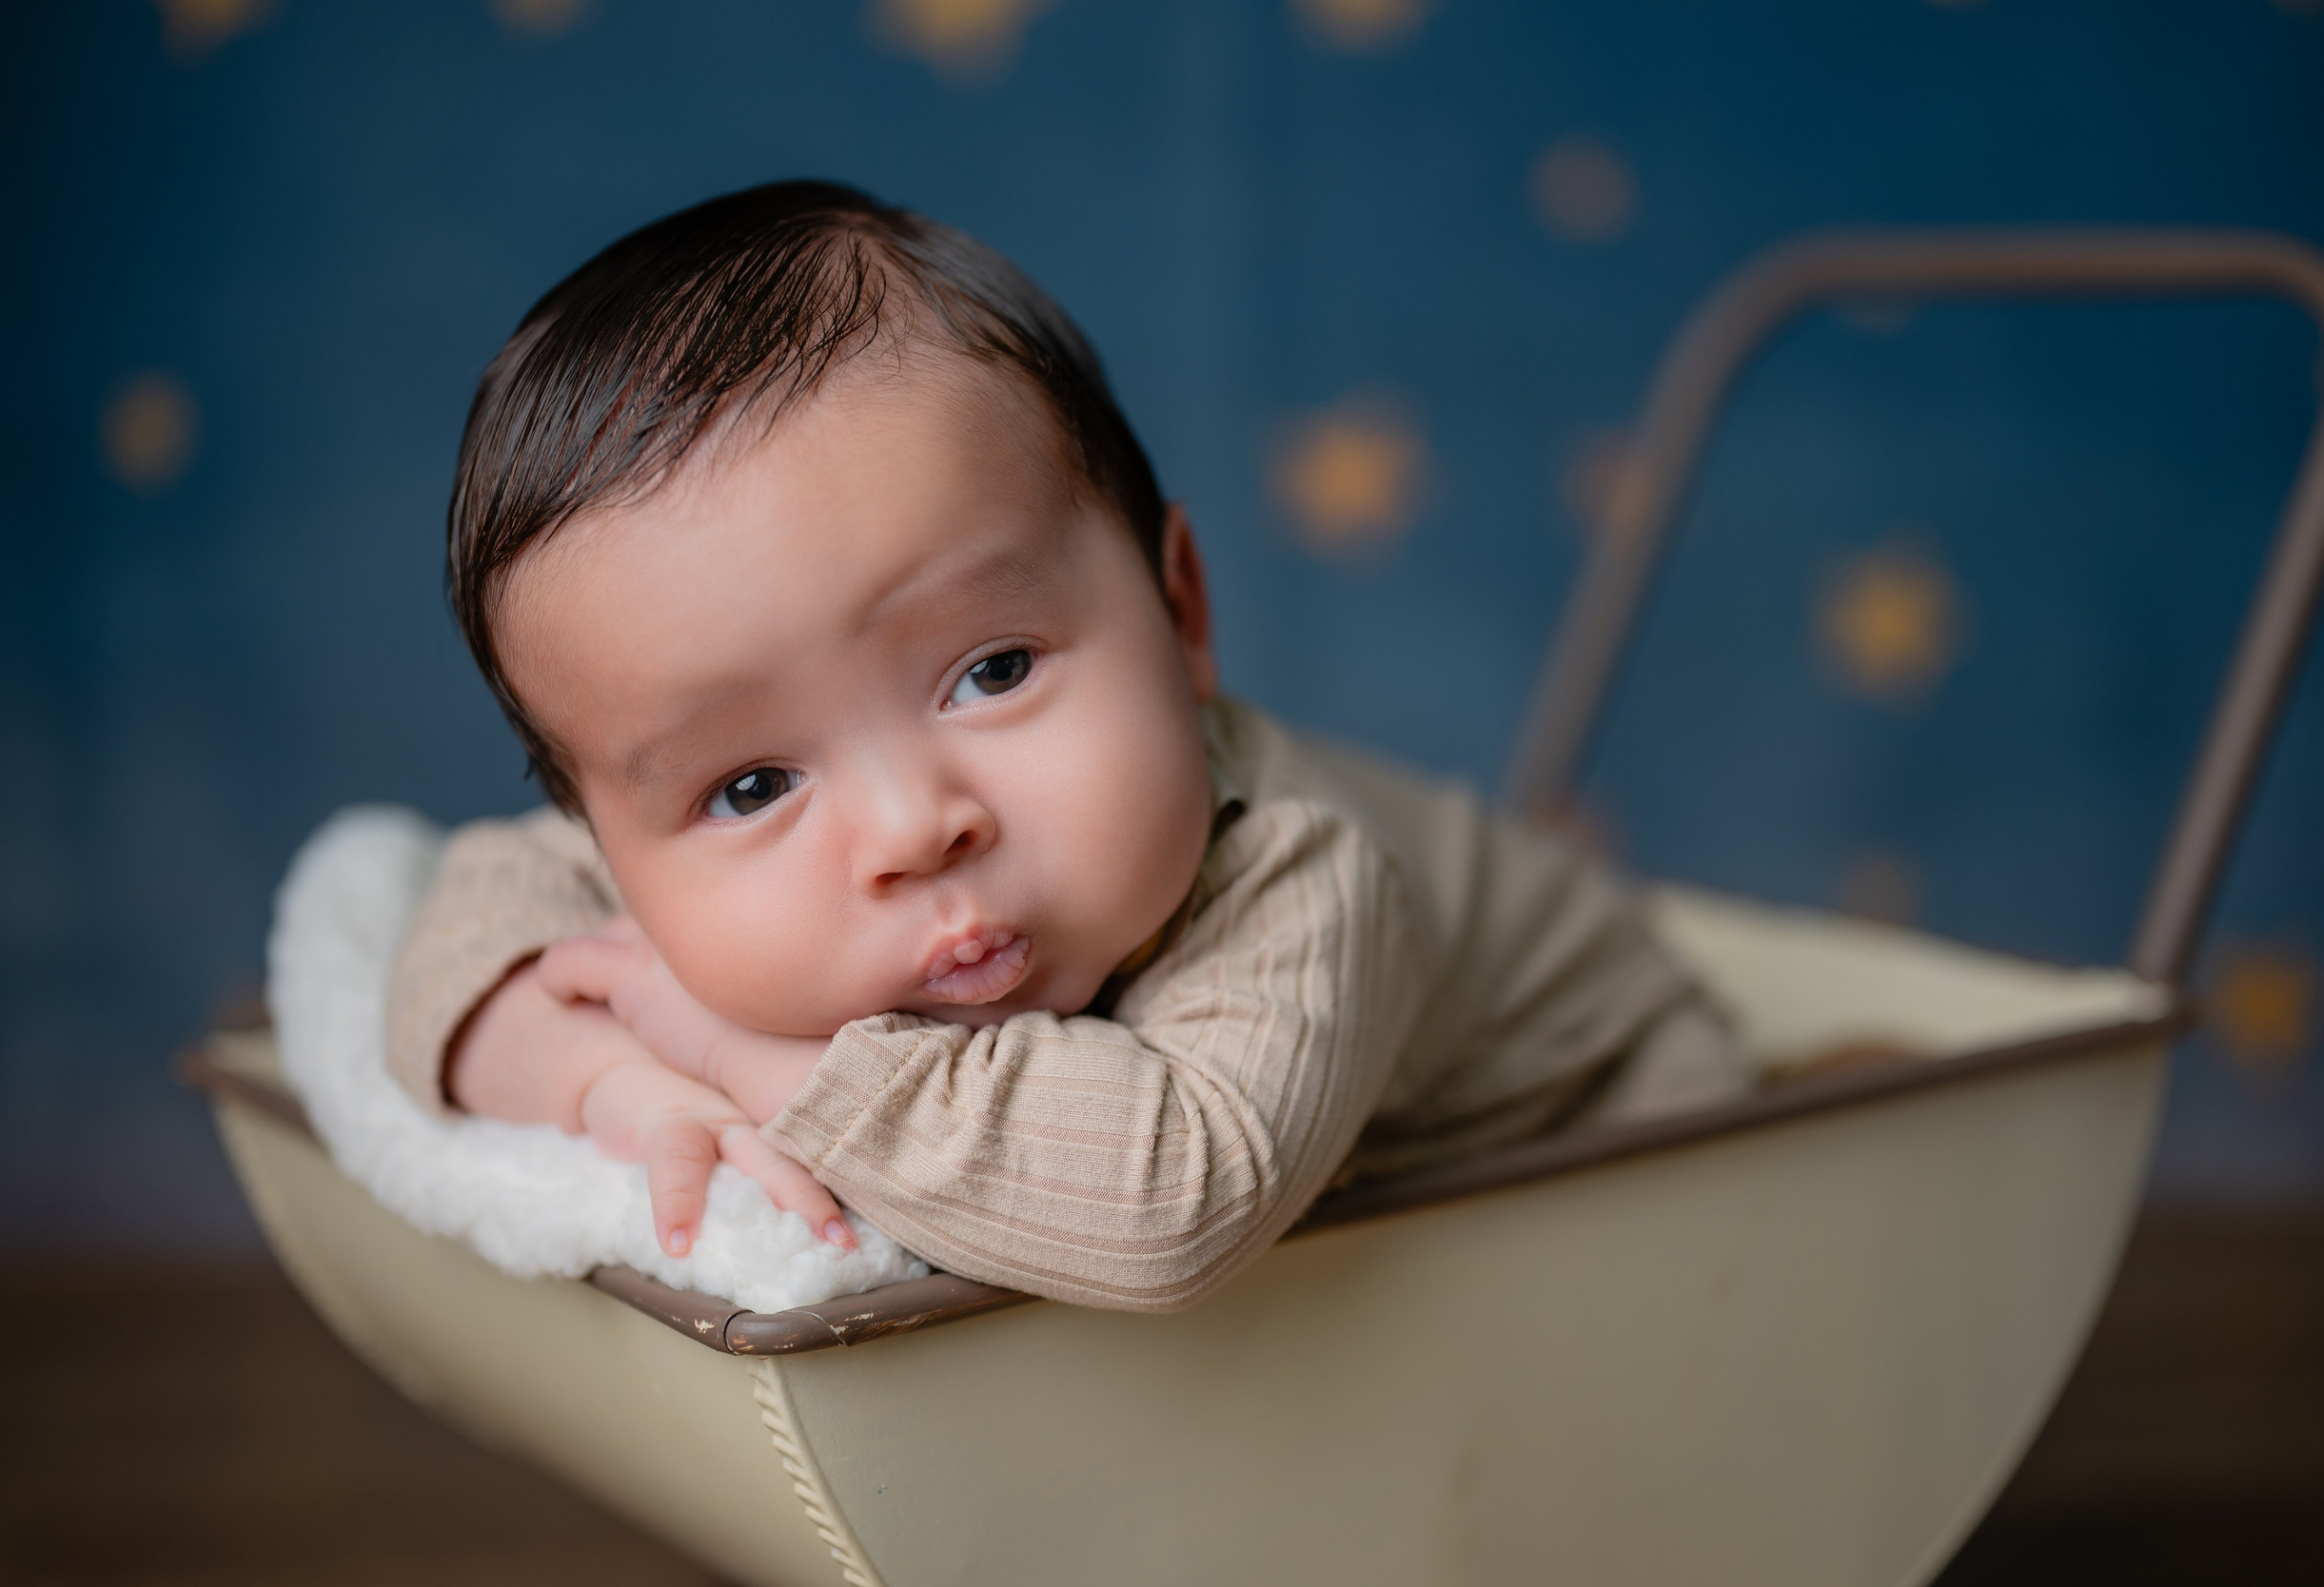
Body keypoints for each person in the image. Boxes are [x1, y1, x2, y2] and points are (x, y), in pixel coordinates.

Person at [385, 181, 1749, 1314]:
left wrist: (745, 1058)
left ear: (1180, 609)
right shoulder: (656, 860)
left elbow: (1171, 1208)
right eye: (754, 785)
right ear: (605, 831)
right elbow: (462, 950)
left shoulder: (1297, 878)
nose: (917, 827)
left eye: (991, 670)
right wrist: (604, 1079)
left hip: (1628, 1145)